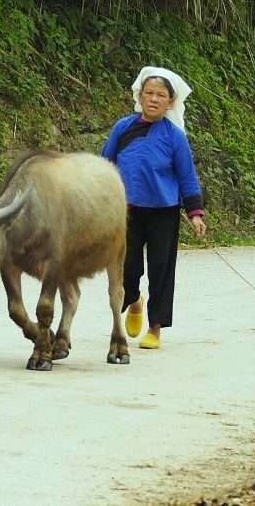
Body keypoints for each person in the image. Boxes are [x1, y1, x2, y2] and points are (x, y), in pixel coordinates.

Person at [101, 66, 207, 349]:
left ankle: (155, 329)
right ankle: (135, 302)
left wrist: (195, 213)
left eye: (161, 95)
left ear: (170, 102)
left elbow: (187, 176)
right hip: (127, 211)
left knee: (161, 269)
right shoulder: (123, 128)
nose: (154, 99)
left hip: (164, 211)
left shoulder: (175, 137)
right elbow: (104, 166)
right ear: (139, 95)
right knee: (127, 267)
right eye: (149, 93)